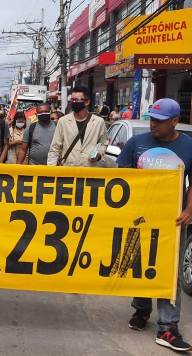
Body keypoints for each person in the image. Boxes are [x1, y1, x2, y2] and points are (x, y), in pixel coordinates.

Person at [116, 98, 192, 352]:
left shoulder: (189, 146)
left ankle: (168, 327)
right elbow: (119, 180)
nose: (153, 125)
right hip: (139, 218)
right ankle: (141, 309)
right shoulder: (135, 144)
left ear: (174, 121)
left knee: (168, 271)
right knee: (140, 264)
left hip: (172, 220)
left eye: (159, 121)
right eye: (151, 119)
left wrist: (189, 209)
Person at [47, 87, 107, 167]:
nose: (73, 102)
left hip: (90, 171)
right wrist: (51, 170)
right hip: (69, 171)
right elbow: (55, 148)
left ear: (87, 102)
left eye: (76, 100)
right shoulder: (63, 121)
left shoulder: (98, 122)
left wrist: (98, 155)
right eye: (72, 100)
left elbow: (103, 143)